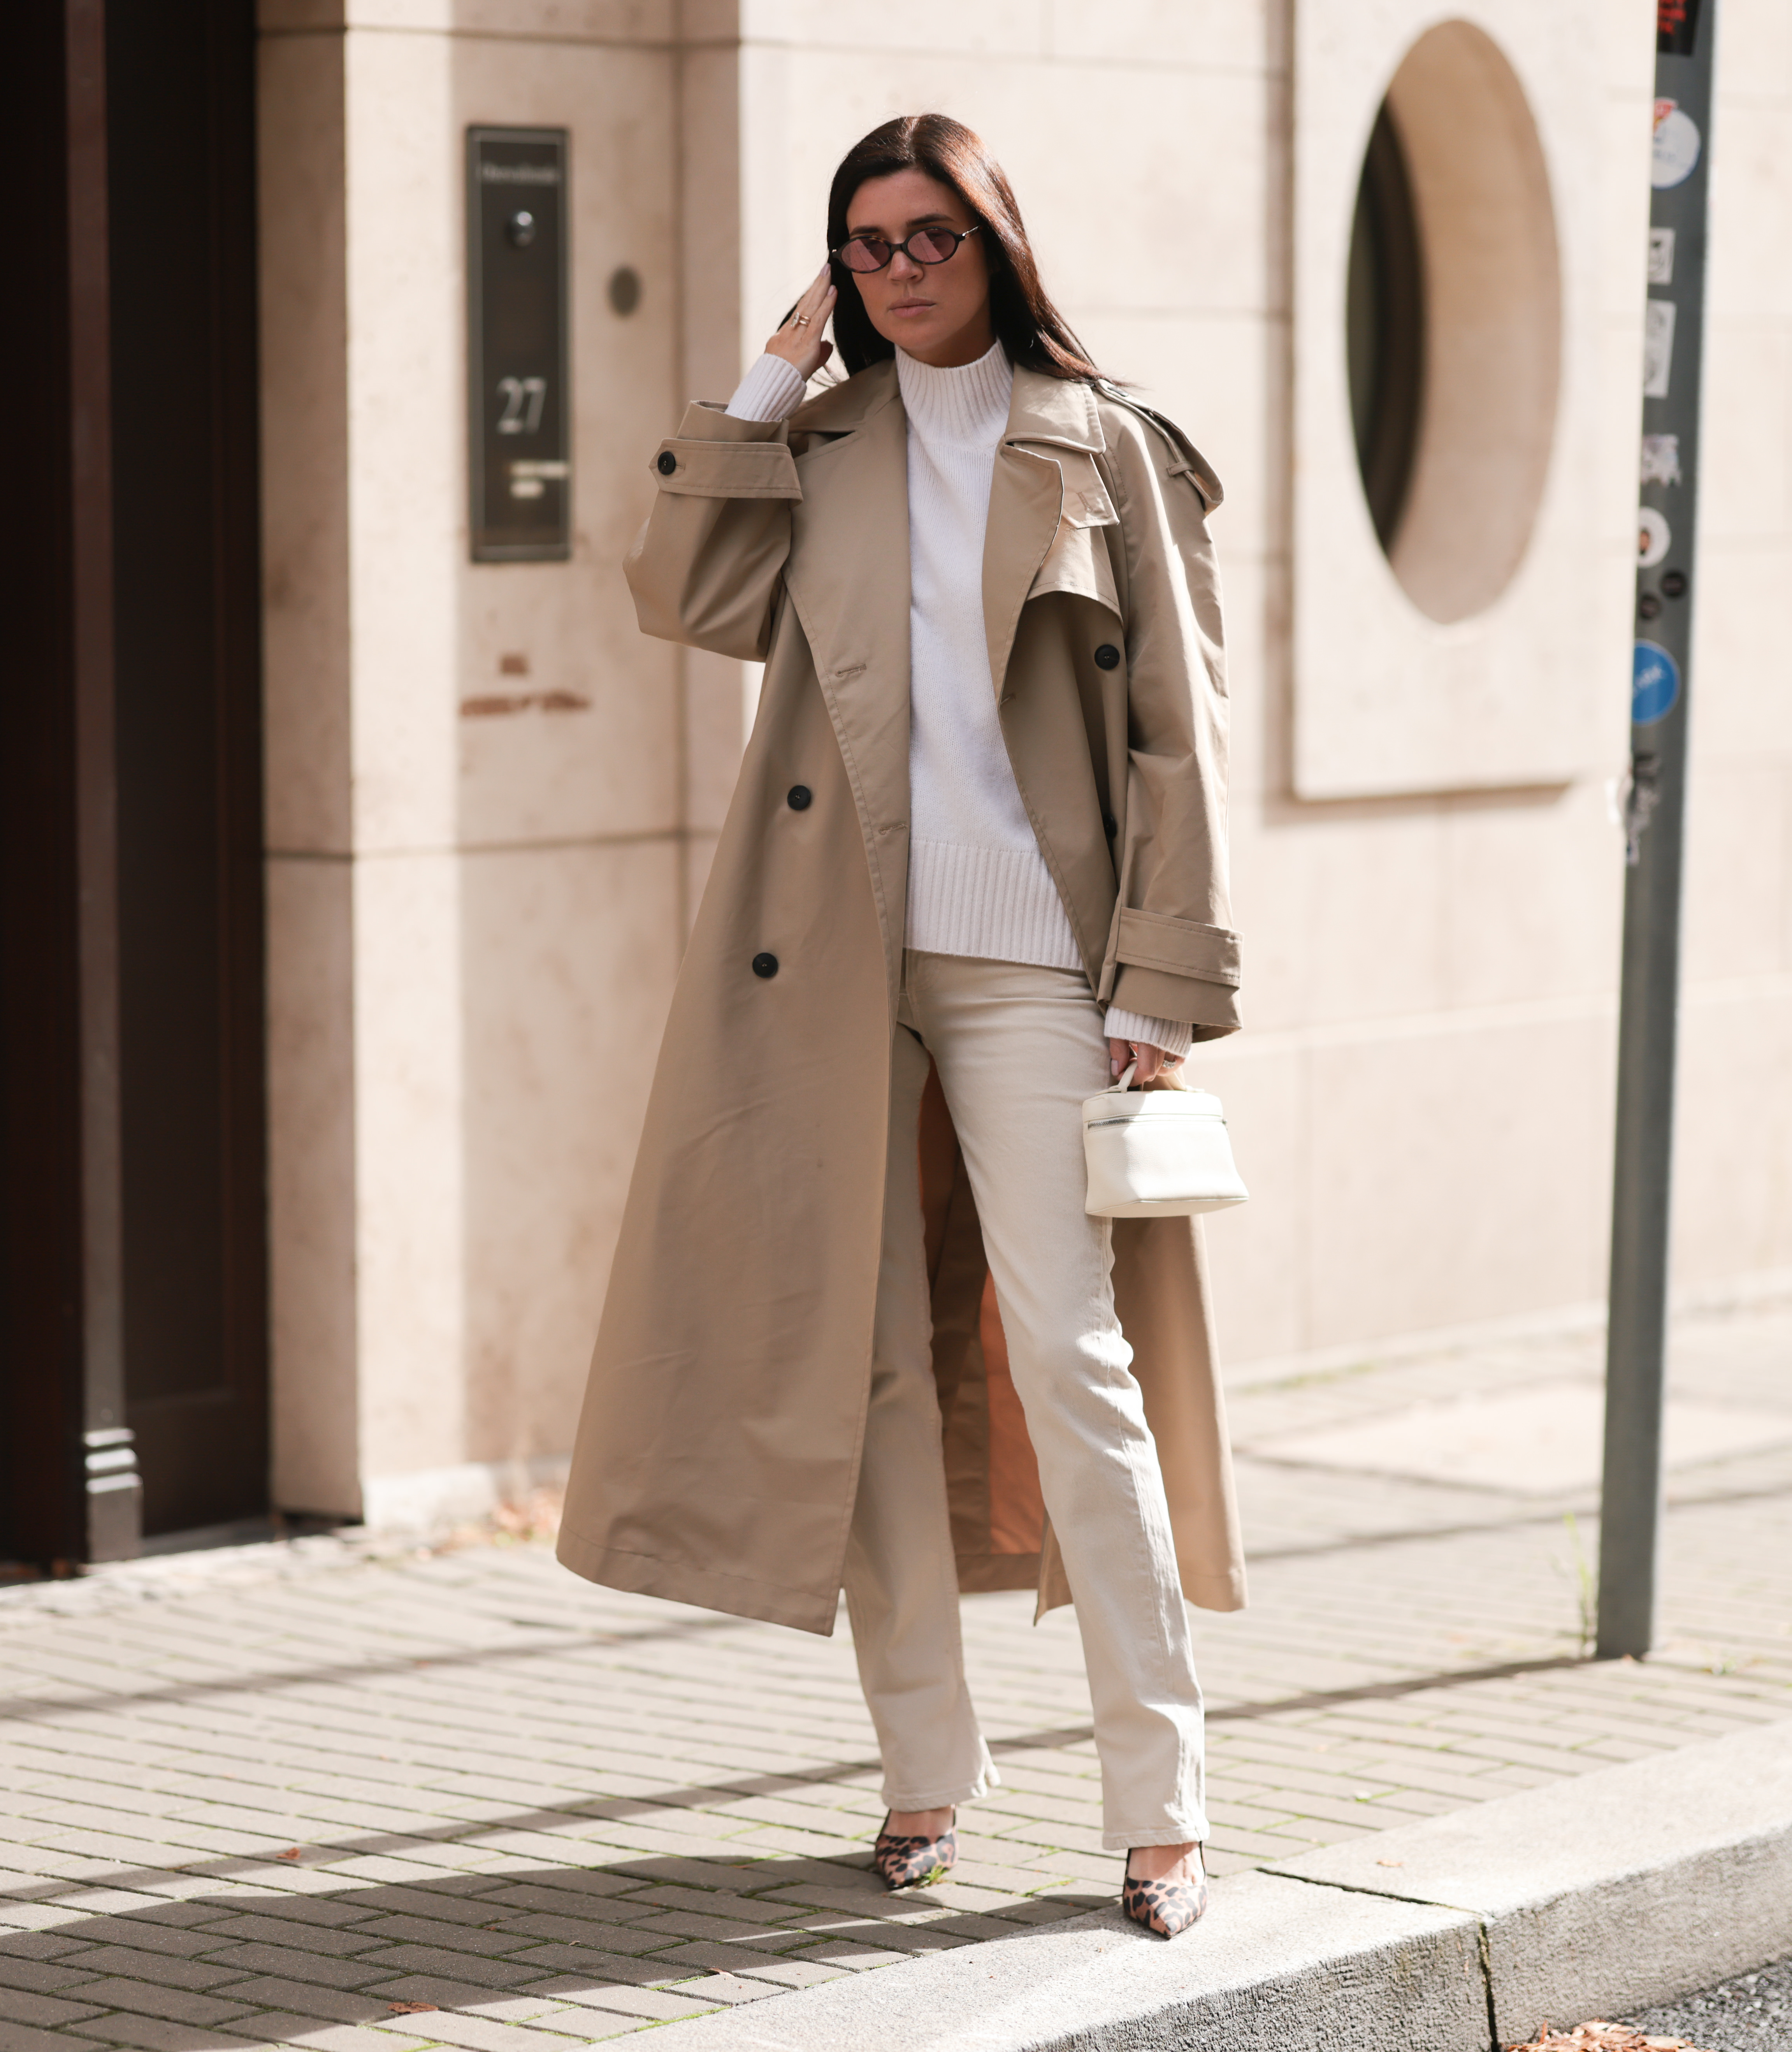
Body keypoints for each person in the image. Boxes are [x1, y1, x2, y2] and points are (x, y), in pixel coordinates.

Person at [555, 114, 1246, 1940]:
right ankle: (923, 1770)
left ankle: (1161, 1803)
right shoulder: (825, 441)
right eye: (864, 244)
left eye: (930, 233)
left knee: (1067, 1367)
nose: (898, 267)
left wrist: (1163, 983)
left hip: (1036, 973)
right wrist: (772, 374)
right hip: (838, 969)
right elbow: (679, 594)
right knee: (853, 1378)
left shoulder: (1099, 444)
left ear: (996, 243)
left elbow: (1181, 729)